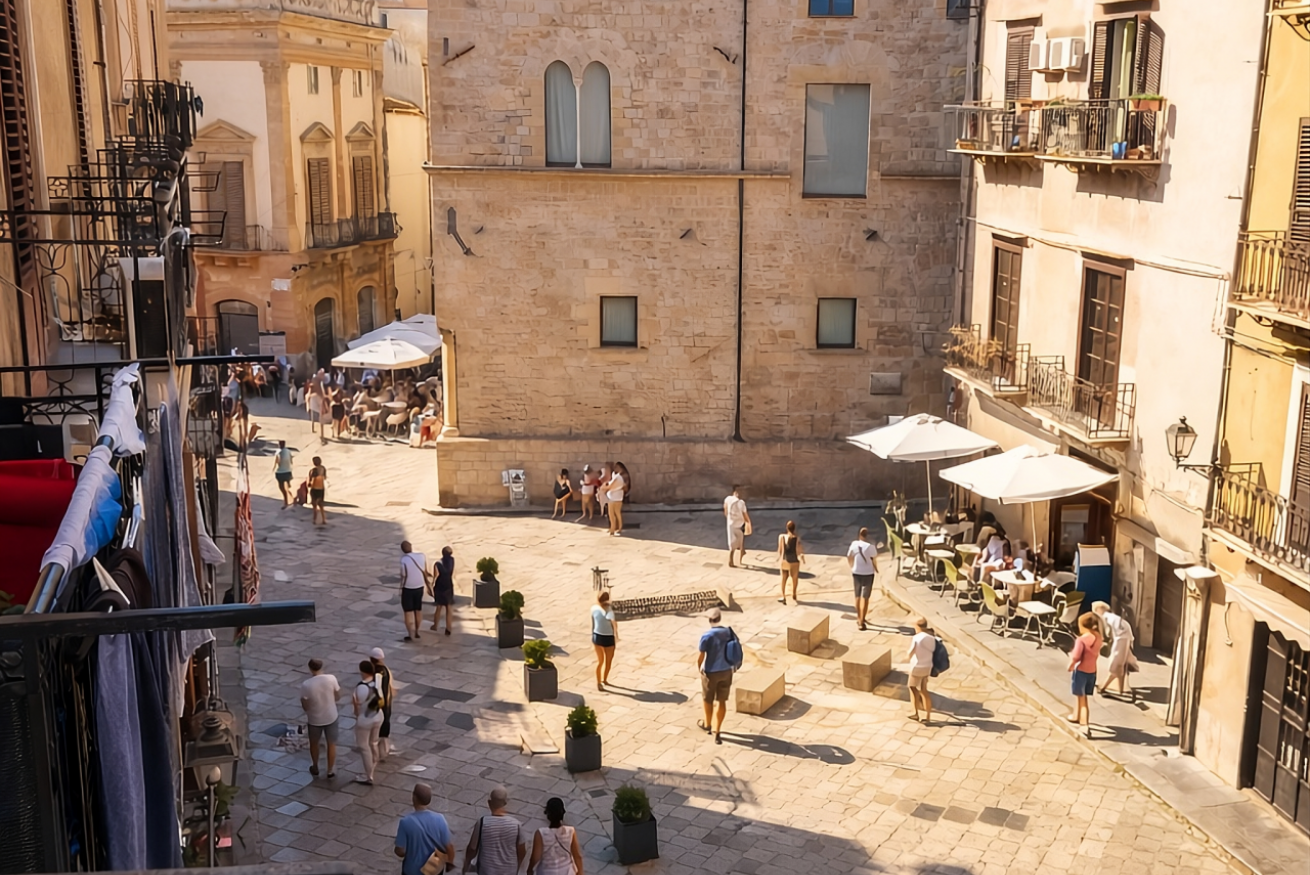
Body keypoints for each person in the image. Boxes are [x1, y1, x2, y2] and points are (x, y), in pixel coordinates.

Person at [461, 787, 526, 875]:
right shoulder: (516, 824)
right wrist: (517, 867)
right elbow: (522, 850)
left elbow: (472, 849)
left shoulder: (482, 822)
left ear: (489, 802)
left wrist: (466, 864)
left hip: (487, 871)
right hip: (509, 871)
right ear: (505, 803)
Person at [395, 783, 455, 875]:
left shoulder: (405, 822)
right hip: (434, 869)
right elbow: (448, 846)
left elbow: (400, 851)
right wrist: (450, 862)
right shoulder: (440, 819)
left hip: (412, 871)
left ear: (414, 798)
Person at [697, 607, 737, 745]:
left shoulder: (707, 636)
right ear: (720, 619)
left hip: (711, 672)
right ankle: (718, 731)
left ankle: (708, 724)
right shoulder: (728, 632)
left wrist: (699, 668)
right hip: (726, 670)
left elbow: (701, 655)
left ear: (709, 620)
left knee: (707, 699)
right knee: (722, 700)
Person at [299, 658, 340, 778]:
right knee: (331, 744)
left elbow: (305, 705)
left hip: (315, 719)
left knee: (314, 743)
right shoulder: (331, 678)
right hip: (331, 716)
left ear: (310, 668)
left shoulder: (307, 684)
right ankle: (330, 770)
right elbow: (338, 696)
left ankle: (315, 766)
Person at [1091, 601, 1138, 696]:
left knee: (1115, 665)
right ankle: (1120, 689)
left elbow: (1106, 633)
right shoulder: (1113, 617)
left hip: (1121, 638)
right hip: (1125, 637)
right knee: (1120, 666)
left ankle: (1103, 687)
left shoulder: (1105, 617)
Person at [527, 797, 583, 875]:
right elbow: (577, 856)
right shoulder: (570, 831)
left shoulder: (540, 833)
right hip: (567, 871)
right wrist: (580, 872)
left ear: (547, 813)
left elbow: (535, 857)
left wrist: (529, 870)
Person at [1067, 612, 1103, 736]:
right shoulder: (1098, 637)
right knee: (1081, 695)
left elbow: (1076, 656)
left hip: (1081, 671)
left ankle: (1084, 725)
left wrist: (1071, 664)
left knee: (1082, 699)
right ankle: (1076, 715)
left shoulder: (1081, 640)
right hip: (1092, 672)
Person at [352, 659, 385, 784]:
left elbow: (357, 706)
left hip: (365, 720)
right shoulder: (378, 681)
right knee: (373, 742)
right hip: (378, 716)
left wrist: (356, 714)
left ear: (363, 672)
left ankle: (368, 776)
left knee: (364, 746)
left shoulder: (361, 687)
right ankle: (375, 762)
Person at [847, 527, 878, 631]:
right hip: (868, 573)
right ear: (867, 536)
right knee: (865, 597)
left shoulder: (854, 544)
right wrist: (876, 568)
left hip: (856, 572)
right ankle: (862, 620)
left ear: (859, 535)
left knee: (857, 596)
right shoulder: (870, 546)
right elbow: (874, 558)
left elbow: (849, 556)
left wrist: (851, 566)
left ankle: (858, 617)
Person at [399, 540, 430, 642]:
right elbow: (425, 570)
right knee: (418, 610)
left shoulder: (404, 560)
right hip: (419, 587)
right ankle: (417, 631)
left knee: (408, 612)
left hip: (408, 588)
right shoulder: (421, 556)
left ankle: (410, 634)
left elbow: (403, 575)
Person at [907, 617, 936, 725]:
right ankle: (928, 715)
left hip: (917, 667)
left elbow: (910, 652)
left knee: (912, 687)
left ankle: (915, 712)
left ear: (918, 627)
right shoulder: (931, 638)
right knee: (924, 690)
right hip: (927, 666)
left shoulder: (917, 638)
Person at [370, 647, 396, 760]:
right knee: (385, 725)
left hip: (380, 705)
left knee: (378, 728)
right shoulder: (385, 669)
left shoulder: (376, 672)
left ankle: (379, 752)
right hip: (387, 703)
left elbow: (377, 688)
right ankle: (384, 750)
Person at [591, 591, 617, 690]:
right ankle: (604, 680)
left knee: (600, 661)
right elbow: (614, 624)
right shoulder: (609, 611)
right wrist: (616, 636)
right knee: (608, 661)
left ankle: (598, 682)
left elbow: (593, 623)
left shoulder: (594, 608)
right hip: (608, 637)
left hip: (597, 636)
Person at [776, 520, 804, 605]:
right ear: (794, 528)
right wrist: (802, 557)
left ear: (787, 528)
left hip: (785, 560)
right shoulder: (797, 538)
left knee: (784, 578)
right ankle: (794, 593)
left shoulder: (782, 537)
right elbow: (798, 550)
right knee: (794, 578)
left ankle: (783, 596)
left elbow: (780, 550)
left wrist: (779, 559)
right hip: (794, 561)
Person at [723, 485, 751, 568]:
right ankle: (731, 560)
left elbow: (725, 510)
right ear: (734, 492)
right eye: (739, 491)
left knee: (738, 540)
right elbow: (745, 514)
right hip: (736, 524)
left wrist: (729, 518)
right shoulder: (740, 502)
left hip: (734, 523)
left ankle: (742, 552)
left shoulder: (729, 499)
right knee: (734, 542)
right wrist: (748, 522)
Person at [431, 546, 456, 635]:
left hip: (440, 585)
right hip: (448, 583)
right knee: (449, 606)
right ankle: (448, 628)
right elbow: (451, 572)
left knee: (439, 606)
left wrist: (432, 585)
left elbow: (436, 576)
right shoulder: (452, 560)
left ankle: (435, 625)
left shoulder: (437, 564)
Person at [604, 464, 626, 536]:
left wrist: (603, 488)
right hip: (619, 497)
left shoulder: (617, 477)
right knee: (617, 513)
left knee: (611, 514)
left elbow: (610, 486)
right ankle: (619, 527)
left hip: (613, 498)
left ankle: (612, 529)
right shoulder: (620, 478)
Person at [273, 440, 295, 507]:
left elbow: (277, 461)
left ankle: (286, 501)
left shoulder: (278, 451)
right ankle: (292, 498)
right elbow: (291, 461)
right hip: (288, 471)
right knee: (288, 486)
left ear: (279, 445)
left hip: (280, 472)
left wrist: (274, 467)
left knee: (282, 488)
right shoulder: (288, 451)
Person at [308, 456, 328, 525]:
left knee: (314, 505)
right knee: (321, 504)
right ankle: (323, 519)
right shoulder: (323, 468)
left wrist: (309, 484)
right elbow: (325, 477)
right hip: (321, 488)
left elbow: (312, 480)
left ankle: (314, 519)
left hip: (314, 488)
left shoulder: (314, 470)